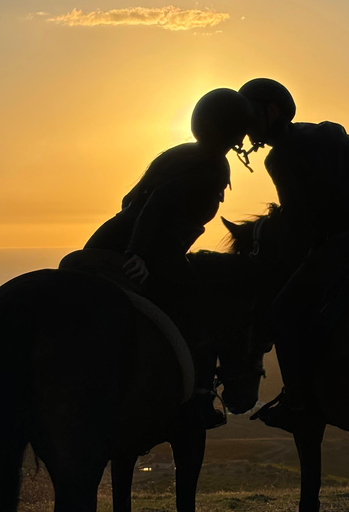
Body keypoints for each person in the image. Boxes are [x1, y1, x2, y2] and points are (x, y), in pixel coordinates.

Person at [237, 78, 349, 432]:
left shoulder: (280, 158)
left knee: (284, 310)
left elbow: (297, 223)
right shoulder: (326, 131)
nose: (246, 130)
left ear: (272, 112)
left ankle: (297, 402)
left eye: (250, 117)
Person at [82, 88, 253, 429]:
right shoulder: (212, 167)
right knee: (201, 313)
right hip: (147, 250)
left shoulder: (177, 155)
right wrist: (140, 254)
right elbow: (158, 203)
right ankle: (201, 400)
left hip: (106, 241)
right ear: (234, 131)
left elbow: (130, 201)